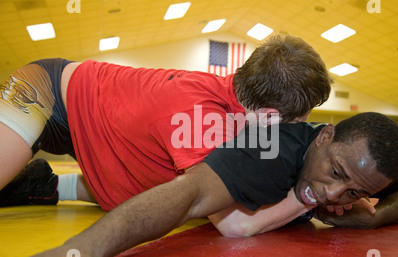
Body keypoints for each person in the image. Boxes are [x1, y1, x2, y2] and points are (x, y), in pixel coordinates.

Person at [0, 112, 398, 257]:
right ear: (324, 135)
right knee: (139, 188)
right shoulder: (270, 149)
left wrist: (373, 217)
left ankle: (44, 184)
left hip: (197, 178)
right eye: (335, 173)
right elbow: (189, 194)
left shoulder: (367, 163)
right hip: (167, 164)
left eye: (355, 192)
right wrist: (81, 251)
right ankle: (40, 182)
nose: (333, 193)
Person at [0, 34, 331, 209]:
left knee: (159, 178)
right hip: (51, 94)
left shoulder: (237, 97)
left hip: (103, 131)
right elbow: (232, 225)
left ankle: (44, 184)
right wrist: (311, 199)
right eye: (297, 122)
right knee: (196, 190)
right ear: (270, 116)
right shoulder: (202, 116)